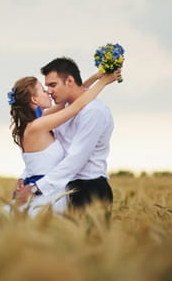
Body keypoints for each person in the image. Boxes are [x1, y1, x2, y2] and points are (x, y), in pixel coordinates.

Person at [7, 66, 120, 217]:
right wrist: (104, 82)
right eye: (42, 90)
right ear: (34, 99)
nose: (48, 91)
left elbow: (72, 96)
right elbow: (76, 106)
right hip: (47, 194)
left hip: (52, 189)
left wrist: (96, 76)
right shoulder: (38, 125)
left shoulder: (38, 121)